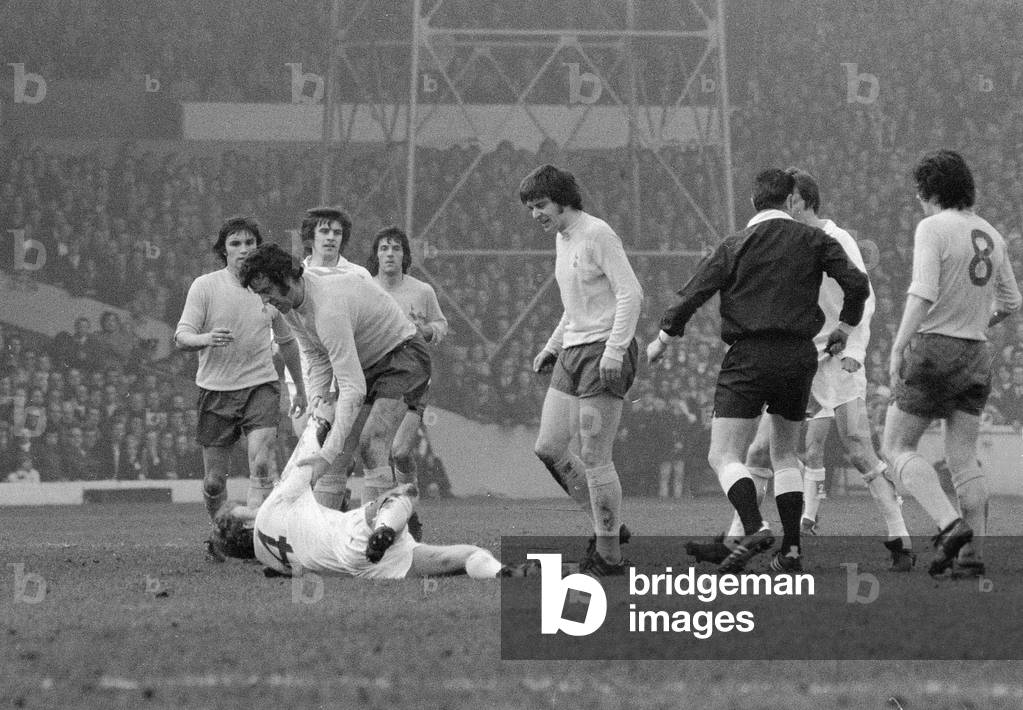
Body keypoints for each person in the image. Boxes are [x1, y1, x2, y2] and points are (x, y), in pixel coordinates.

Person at [686, 169, 915, 572]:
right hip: (801, 353)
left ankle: (901, 539)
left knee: (859, 448)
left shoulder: (834, 238)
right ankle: (736, 541)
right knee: (761, 450)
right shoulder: (791, 241)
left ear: (796, 201)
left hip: (837, 355)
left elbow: (866, 296)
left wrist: (855, 349)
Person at [648, 167, 869, 574]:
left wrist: (663, 339)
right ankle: (792, 552)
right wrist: (845, 327)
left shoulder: (736, 244)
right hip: (798, 357)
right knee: (785, 454)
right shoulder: (816, 239)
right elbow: (857, 284)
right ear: (789, 201)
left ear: (753, 202)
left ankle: (753, 526)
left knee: (722, 453)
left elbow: (693, 292)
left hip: (749, 357)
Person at [238, 243, 431, 555]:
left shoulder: (328, 307)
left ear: (287, 277)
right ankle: (314, 548)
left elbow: (352, 389)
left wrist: (324, 453)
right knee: (339, 457)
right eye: (259, 294)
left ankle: (384, 541)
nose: (265, 300)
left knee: (371, 443)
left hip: (403, 356)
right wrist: (319, 409)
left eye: (267, 290)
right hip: (366, 362)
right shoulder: (290, 308)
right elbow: (315, 358)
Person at [882, 150, 1021, 577]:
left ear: (932, 191)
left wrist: (898, 344)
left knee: (895, 448)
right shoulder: (992, 235)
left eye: (920, 194)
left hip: (935, 347)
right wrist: (979, 318)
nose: (919, 202)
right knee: (962, 457)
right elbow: (1013, 302)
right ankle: (971, 553)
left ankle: (949, 525)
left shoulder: (933, 227)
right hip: (977, 353)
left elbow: (922, 291)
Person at [205, 403, 525, 579]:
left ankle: (502, 573)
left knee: (463, 557)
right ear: (245, 523)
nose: (252, 505)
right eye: (243, 509)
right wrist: (325, 409)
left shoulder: (270, 560)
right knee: (405, 493)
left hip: (361, 567)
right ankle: (387, 527)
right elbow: (309, 449)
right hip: (357, 531)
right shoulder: (274, 507)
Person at [519, 164, 644, 576]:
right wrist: (552, 346)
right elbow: (575, 305)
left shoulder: (597, 233)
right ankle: (606, 527)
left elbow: (631, 293)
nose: (535, 214)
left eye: (540, 205)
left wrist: (615, 349)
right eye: (531, 208)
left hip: (601, 352)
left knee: (594, 455)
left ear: (562, 199)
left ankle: (609, 556)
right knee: (549, 447)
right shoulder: (563, 238)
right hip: (572, 351)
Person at [174, 216, 307, 519]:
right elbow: (181, 336)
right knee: (213, 482)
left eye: (250, 242)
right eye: (236, 243)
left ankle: (259, 538)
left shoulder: (268, 288)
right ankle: (221, 530)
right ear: (224, 251)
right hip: (216, 390)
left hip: (260, 386)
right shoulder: (205, 287)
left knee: (261, 465)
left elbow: (287, 342)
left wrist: (299, 388)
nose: (244, 249)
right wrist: (206, 338)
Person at [368, 226, 448, 522]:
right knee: (375, 451)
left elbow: (441, 325)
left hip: (414, 377)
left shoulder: (421, 291)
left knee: (400, 451)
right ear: (376, 255)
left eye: (396, 249)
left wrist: (425, 330)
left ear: (405, 255)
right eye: (384, 248)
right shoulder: (365, 287)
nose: (390, 254)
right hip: (375, 377)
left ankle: (408, 513)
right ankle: (386, 518)